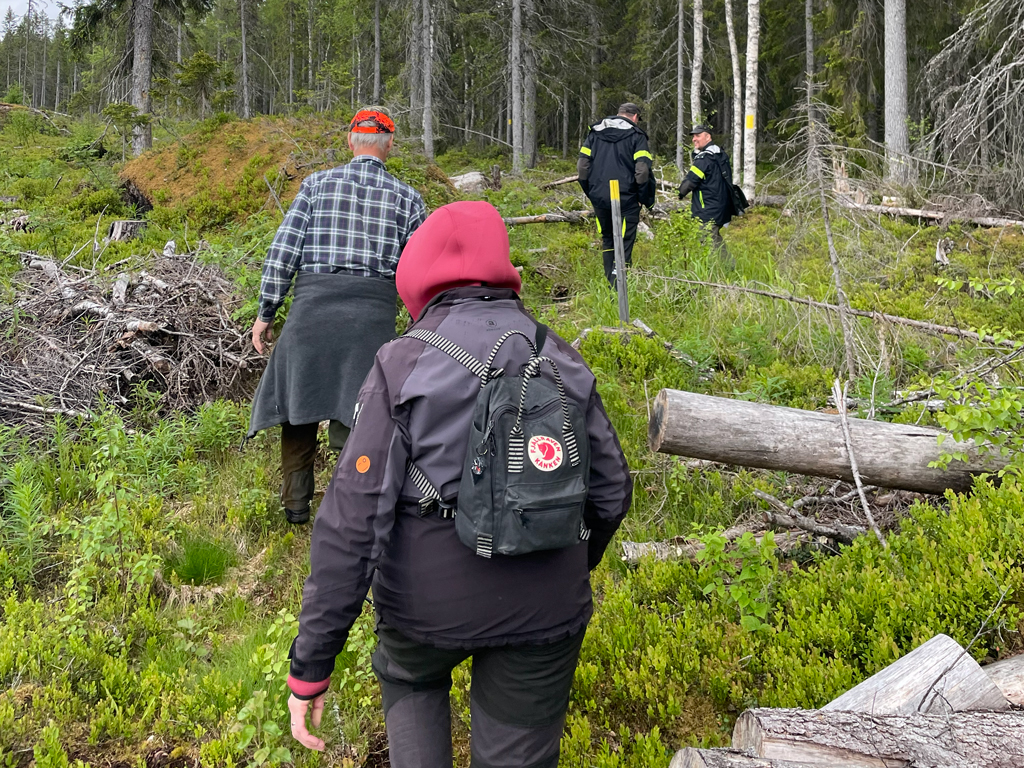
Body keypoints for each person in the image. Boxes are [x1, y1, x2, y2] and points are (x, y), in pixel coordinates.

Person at [284, 201, 633, 767]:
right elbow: (612, 491)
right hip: (545, 610)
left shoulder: (401, 364)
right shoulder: (562, 356)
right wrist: (555, 556)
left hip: (425, 610)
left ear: (417, 276)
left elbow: (353, 521)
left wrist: (312, 665)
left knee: (412, 686)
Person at [247, 108, 427, 525]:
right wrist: (419, 328)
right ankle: (353, 510)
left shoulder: (316, 185)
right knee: (360, 412)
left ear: (351, 141)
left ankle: (296, 507)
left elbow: (283, 253)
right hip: (370, 321)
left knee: (298, 407)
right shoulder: (409, 199)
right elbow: (419, 273)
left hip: (312, 313)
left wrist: (266, 312)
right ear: (390, 146)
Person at [577, 102, 656, 288]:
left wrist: (592, 192)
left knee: (608, 239)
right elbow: (642, 171)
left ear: (619, 113)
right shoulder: (637, 135)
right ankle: (619, 287)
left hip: (600, 197)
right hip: (627, 198)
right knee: (625, 240)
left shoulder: (594, 133)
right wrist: (642, 198)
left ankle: (611, 283)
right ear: (635, 117)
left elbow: (582, 167)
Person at [677, 124, 735, 267]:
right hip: (720, 206)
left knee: (708, 239)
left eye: (698, 135)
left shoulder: (705, 158)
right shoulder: (720, 154)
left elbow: (691, 181)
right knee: (714, 238)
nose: (694, 139)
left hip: (708, 209)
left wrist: (679, 194)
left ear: (708, 137)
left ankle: (725, 269)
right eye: (693, 136)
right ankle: (727, 267)